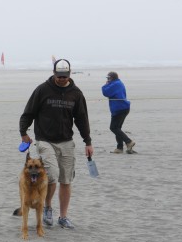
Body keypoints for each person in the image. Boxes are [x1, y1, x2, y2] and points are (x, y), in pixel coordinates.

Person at [19, 59, 93, 229]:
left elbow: (82, 119)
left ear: (69, 74)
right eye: (59, 76)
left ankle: (63, 216)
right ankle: (47, 207)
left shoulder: (76, 93)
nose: (61, 79)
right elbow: (28, 112)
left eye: (64, 76)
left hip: (67, 141)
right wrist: (23, 132)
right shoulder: (42, 90)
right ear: (54, 73)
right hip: (45, 140)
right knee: (51, 174)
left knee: (66, 179)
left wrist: (88, 141)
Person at [102, 72, 135, 154]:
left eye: (108, 78)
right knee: (117, 128)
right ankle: (119, 148)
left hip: (119, 109)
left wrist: (105, 85)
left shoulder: (115, 84)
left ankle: (129, 141)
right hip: (123, 108)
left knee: (113, 127)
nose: (107, 80)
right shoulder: (118, 83)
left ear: (112, 78)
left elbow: (105, 92)